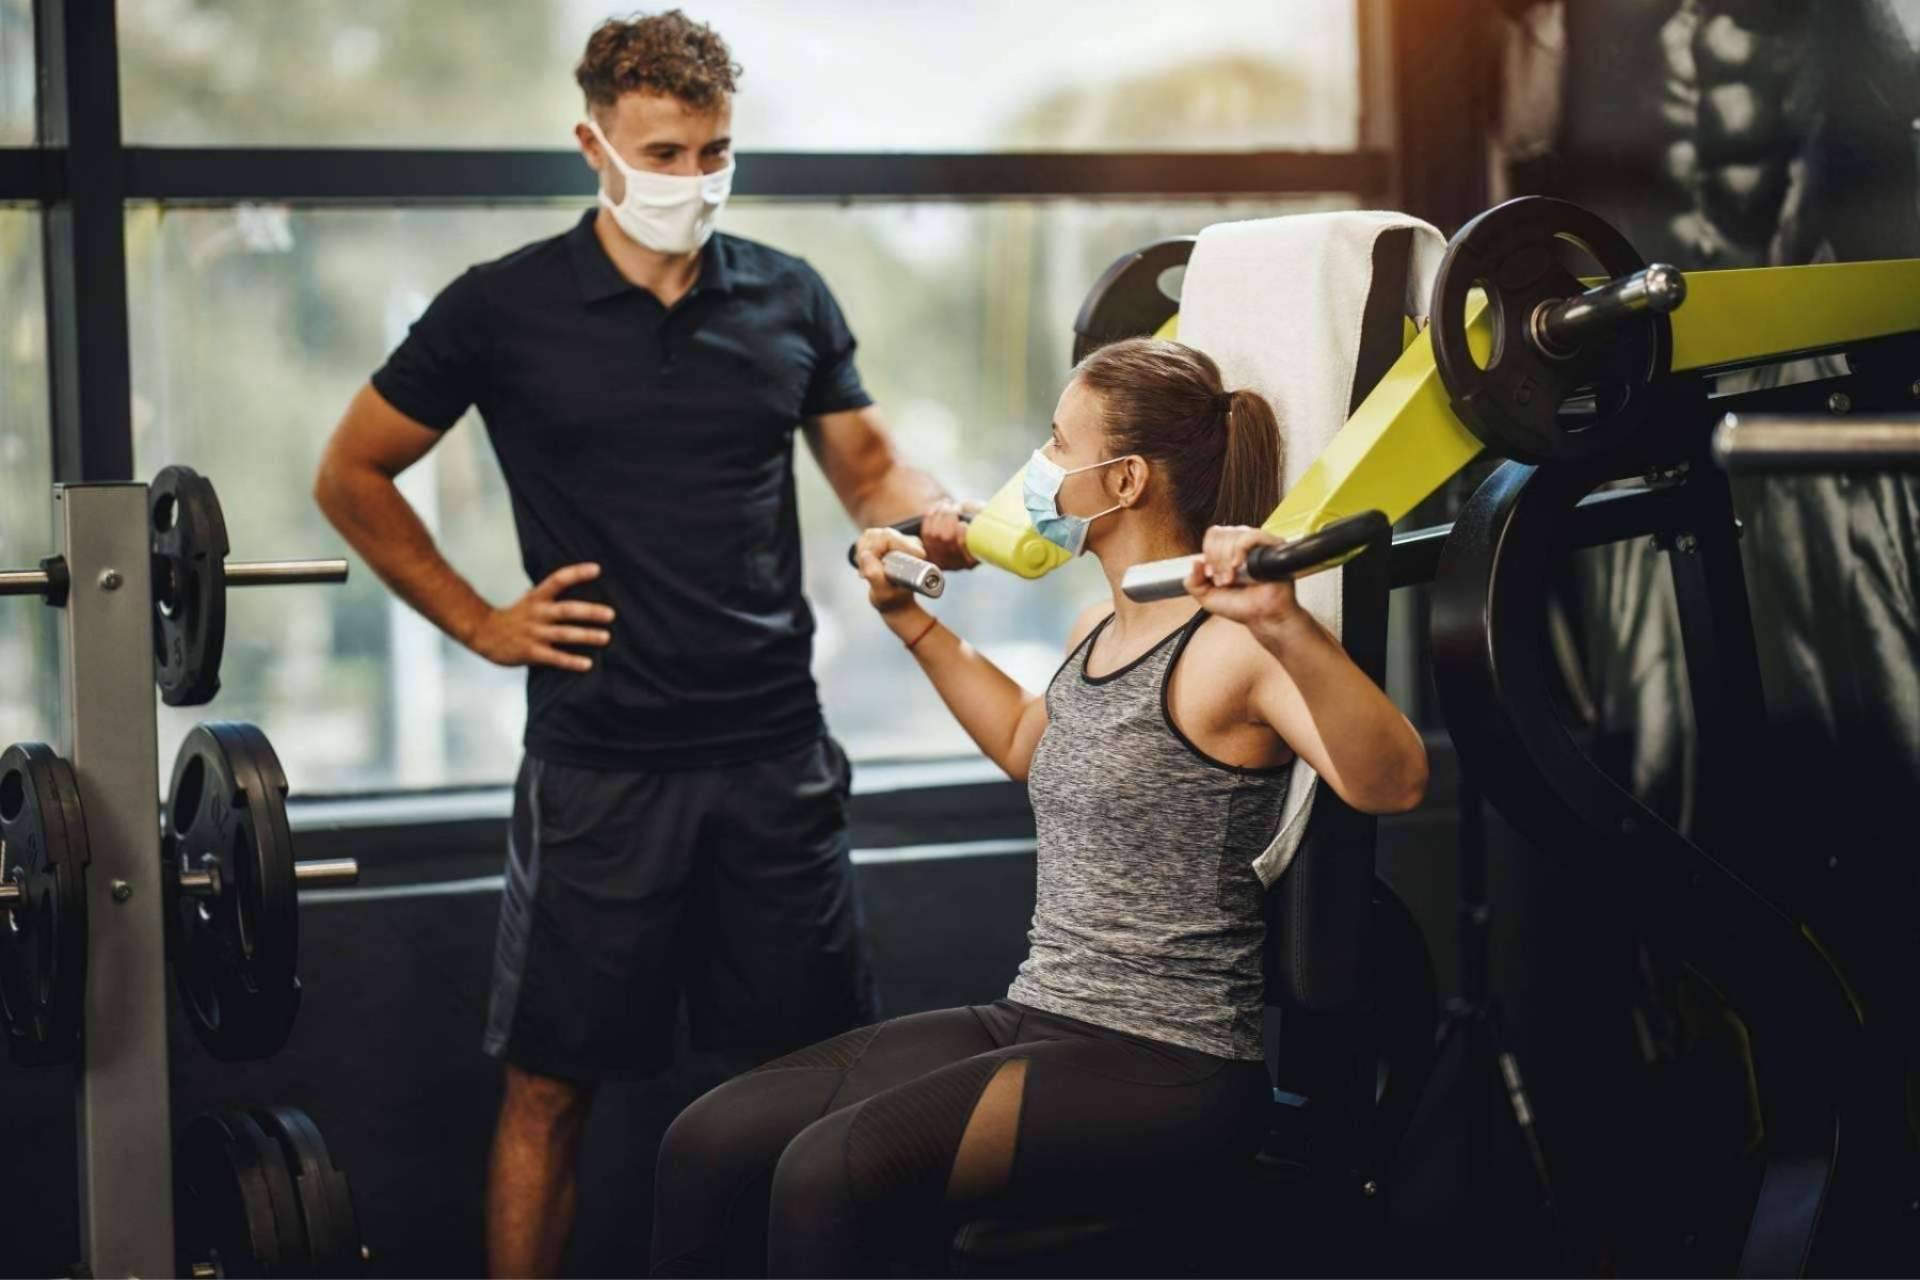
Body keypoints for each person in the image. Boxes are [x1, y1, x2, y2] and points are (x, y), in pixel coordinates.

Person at [310, 12, 966, 1277]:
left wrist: (942, 517)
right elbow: (352, 471)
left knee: (818, 1079)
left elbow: (872, 468)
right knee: (550, 1088)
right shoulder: (500, 307)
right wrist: (477, 620)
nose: (693, 179)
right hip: (600, 762)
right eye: (664, 154)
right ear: (594, 145)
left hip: (774, 753)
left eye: (714, 152)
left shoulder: (787, 293)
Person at [649, 337, 1430, 1277]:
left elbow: (1395, 782)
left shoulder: (1233, 645)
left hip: (1166, 1059)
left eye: (1059, 444)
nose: (1040, 466)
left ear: (1126, 479)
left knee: (830, 1174)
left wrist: (1284, 621)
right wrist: (910, 618)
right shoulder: (1098, 625)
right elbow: (1030, 740)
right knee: (711, 1139)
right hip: (1041, 1014)